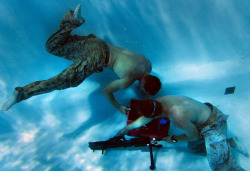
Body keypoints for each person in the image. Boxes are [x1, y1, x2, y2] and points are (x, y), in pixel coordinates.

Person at [0, 5, 161, 113]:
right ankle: (20, 94)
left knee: (52, 47)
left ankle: (72, 21)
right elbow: (106, 91)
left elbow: (144, 81)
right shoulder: (129, 79)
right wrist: (119, 107)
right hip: (97, 57)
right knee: (63, 80)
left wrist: (146, 95)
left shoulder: (147, 64)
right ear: (143, 85)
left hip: (95, 43)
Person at [115, 96, 248, 170]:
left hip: (214, 125)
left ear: (157, 114)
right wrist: (127, 128)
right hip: (202, 116)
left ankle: (225, 142)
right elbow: (147, 116)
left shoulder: (177, 118)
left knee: (220, 166)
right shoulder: (158, 102)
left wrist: (172, 138)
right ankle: (229, 143)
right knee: (195, 149)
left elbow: (194, 135)